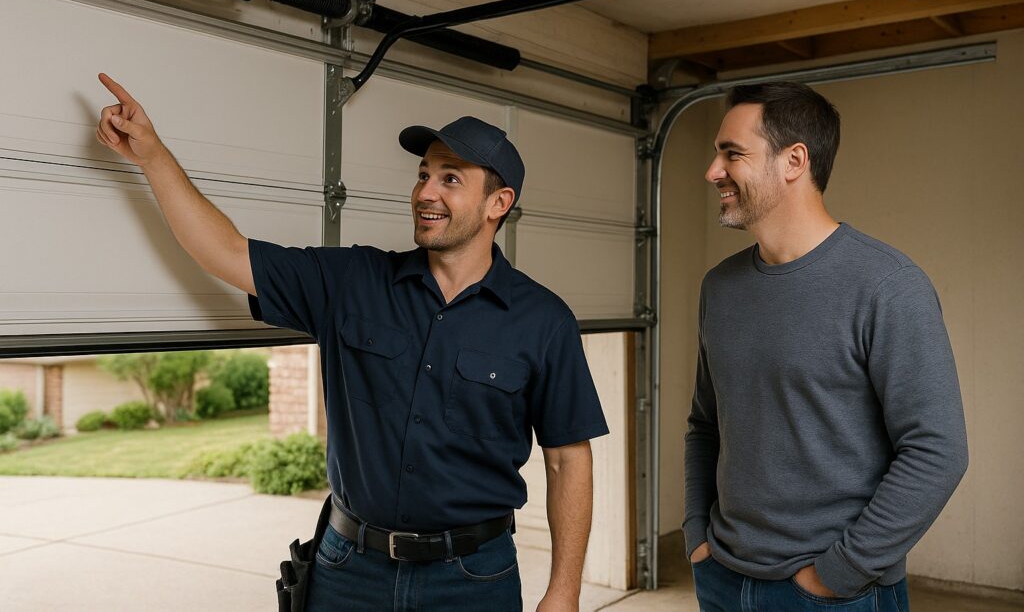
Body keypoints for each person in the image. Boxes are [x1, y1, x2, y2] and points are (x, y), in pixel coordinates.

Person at [94, 73, 609, 611]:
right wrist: (152, 156)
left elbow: (568, 459)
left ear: (497, 203)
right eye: (423, 175)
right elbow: (225, 252)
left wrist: (564, 589)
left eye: (450, 179)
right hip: (348, 573)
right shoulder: (352, 281)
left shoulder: (543, 320)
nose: (425, 193)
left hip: (472, 579)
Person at [683, 81, 968, 611]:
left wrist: (839, 573)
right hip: (721, 576)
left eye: (732, 153)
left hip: (833, 594)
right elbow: (706, 424)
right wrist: (698, 534)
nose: (713, 171)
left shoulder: (888, 285)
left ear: (794, 161)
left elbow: (937, 450)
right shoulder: (719, 288)